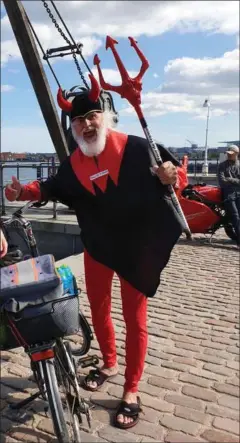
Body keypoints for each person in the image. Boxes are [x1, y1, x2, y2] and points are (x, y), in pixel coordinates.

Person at [5, 84, 182, 429]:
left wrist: (171, 176)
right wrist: (22, 190)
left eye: (91, 116)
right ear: (72, 128)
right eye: (78, 121)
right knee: (99, 310)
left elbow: (175, 175)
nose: (86, 125)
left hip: (137, 248)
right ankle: (109, 363)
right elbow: (52, 187)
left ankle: (131, 389)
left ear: (105, 117)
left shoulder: (137, 148)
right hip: (98, 248)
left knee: (136, 319)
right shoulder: (73, 163)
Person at [218, 144, 240, 247]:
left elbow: (227, 180)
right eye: (228, 154)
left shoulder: (239, 165)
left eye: (231, 154)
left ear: (237, 154)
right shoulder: (222, 165)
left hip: (238, 194)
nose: (229, 155)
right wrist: (236, 181)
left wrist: (230, 179)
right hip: (228, 195)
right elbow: (222, 182)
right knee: (235, 216)